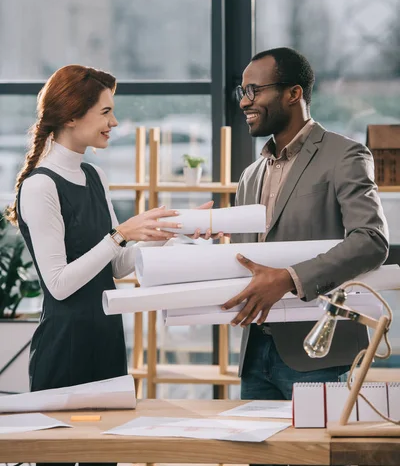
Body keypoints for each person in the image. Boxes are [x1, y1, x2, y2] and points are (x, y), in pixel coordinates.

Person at [5, 64, 216, 466]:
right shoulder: (40, 186)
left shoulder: (94, 175)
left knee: (106, 457)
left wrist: (177, 232)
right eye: (105, 112)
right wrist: (121, 233)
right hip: (64, 349)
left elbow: (116, 266)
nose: (114, 122)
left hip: (106, 341)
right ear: (71, 114)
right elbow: (60, 284)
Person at [223, 47, 389, 403]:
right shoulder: (250, 175)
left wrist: (289, 278)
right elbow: (251, 256)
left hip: (320, 352)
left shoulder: (345, 155)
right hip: (255, 353)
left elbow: (371, 241)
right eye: (242, 92)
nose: (243, 102)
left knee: (317, 456)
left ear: (293, 93)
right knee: (262, 459)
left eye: (254, 90)